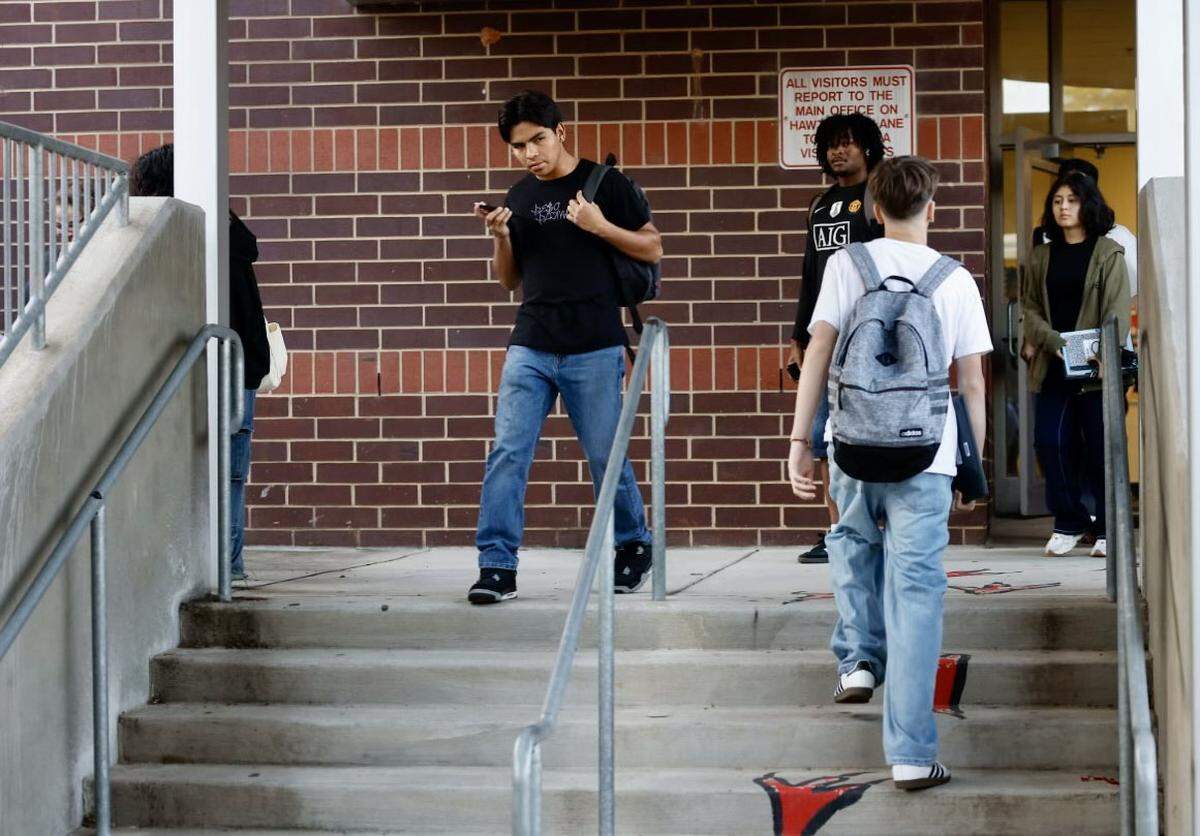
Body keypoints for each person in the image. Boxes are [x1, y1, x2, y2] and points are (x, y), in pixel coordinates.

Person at [787, 156, 991, 790]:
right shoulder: (954, 280)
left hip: (851, 441)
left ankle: (855, 661)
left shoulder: (849, 264)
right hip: (926, 453)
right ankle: (910, 752)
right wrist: (970, 468)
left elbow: (818, 348)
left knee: (851, 541)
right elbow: (974, 382)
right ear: (931, 208)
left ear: (873, 210)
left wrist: (801, 440)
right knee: (916, 592)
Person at [467, 91, 662, 604]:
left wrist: (600, 225)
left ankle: (632, 546)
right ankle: (496, 566)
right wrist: (502, 238)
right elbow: (510, 282)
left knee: (604, 456)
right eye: (518, 146)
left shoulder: (607, 184)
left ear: (562, 132)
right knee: (508, 454)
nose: (530, 153)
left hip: (594, 345)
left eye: (538, 140)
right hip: (530, 345)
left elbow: (653, 246)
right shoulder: (521, 195)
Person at [129, 144, 271, 583]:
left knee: (206, 472)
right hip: (239, 362)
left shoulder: (190, 236)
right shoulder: (227, 231)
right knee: (230, 473)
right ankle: (228, 565)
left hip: (213, 364)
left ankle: (218, 570)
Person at [788, 113, 886, 564]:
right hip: (824, 338)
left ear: (867, 147)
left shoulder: (877, 198)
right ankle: (838, 530)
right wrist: (797, 337)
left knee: (870, 435)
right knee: (822, 434)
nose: (837, 151)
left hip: (870, 338)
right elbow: (810, 275)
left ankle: (877, 528)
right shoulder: (819, 204)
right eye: (830, 144)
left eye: (847, 143)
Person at [1021, 171, 1130, 558]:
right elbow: (1029, 308)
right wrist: (1055, 343)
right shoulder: (1040, 256)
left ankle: (1107, 528)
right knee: (1050, 442)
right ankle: (1069, 520)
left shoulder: (1108, 253)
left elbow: (1116, 311)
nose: (1064, 207)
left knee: (1101, 448)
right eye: (1057, 201)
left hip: (1096, 368)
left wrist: (1105, 352)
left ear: (1088, 205)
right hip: (1054, 365)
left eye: (1072, 200)